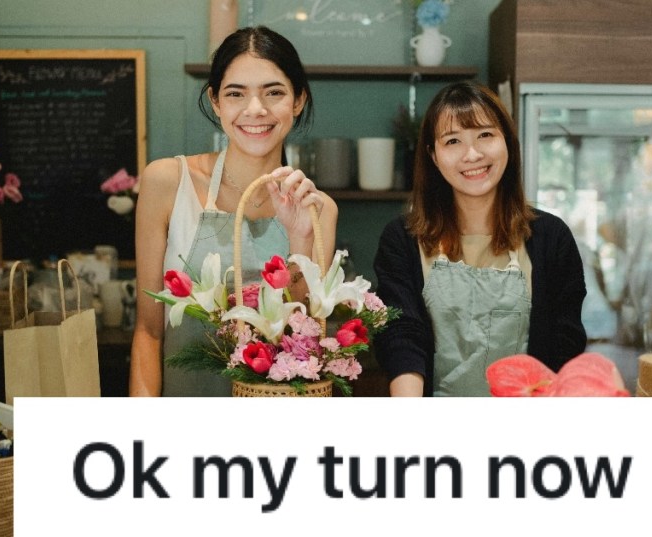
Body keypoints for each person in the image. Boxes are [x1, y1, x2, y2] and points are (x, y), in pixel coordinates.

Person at [130, 26, 338, 397]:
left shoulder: (318, 210)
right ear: (216, 102)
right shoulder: (168, 182)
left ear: (298, 100)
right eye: (235, 93)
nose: (255, 109)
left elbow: (303, 344)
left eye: (274, 92)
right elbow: (148, 330)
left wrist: (301, 239)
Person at [372, 82, 586, 397]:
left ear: (507, 142)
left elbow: (564, 346)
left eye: (485, 135)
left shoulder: (551, 238)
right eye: (453, 141)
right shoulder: (402, 239)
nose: (472, 154)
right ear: (433, 155)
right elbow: (401, 333)